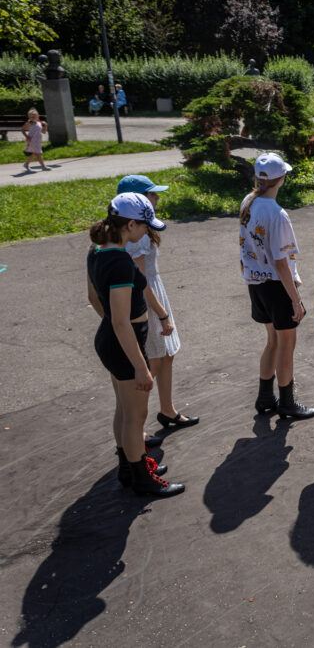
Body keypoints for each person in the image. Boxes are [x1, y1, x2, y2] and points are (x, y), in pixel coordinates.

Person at [86, 192, 184, 497]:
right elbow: (119, 320)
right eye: (144, 226)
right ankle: (141, 476)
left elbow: (97, 299)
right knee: (135, 416)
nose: (147, 231)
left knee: (124, 410)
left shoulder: (99, 252)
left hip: (115, 342)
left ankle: (129, 466)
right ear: (130, 225)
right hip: (124, 344)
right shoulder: (117, 261)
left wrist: (163, 316)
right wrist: (141, 367)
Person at [239, 153, 314, 420]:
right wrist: (295, 299)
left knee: (272, 341)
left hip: (256, 283)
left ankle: (264, 397)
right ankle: (287, 401)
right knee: (286, 344)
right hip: (277, 286)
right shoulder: (277, 214)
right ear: (282, 178)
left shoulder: (248, 202)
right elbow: (281, 263)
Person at [121, 175, 200, 434]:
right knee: (153, 360)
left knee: (166, 354)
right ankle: (135, 428)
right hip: (148, 298)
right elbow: (140, 280)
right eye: (152, 195)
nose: (157, 198)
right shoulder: (139, 235)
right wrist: (162, 314)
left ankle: (168, 410)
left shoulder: (143, 229)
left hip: (154, 292)